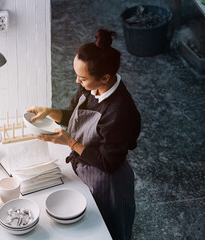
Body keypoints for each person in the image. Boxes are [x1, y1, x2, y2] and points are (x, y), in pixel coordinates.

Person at [26, 29, 141, 239]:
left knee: (110, 230)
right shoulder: (91, 87)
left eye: (82, 78)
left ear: (105, 78)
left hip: (108, 181)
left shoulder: (118, 111)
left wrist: (70, 141)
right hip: (85, 167)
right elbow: (76, 116)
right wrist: (50, 112)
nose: (78, 82)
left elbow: (109, 162)